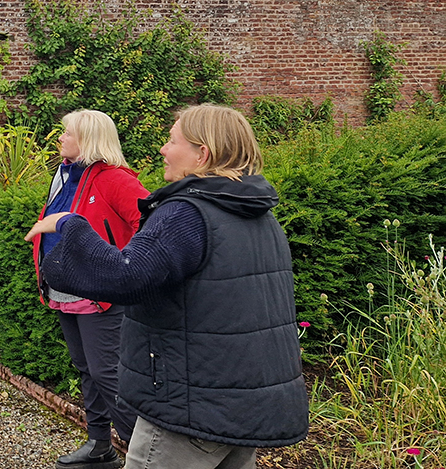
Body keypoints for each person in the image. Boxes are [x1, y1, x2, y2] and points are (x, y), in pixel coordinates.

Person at [28, 104, 309, 469]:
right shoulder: (257, 212)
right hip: (243, 403)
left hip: (191, 407)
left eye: (171, 140)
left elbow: (127, 276)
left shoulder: (187, 212)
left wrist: (70, 226)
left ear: (201, 153)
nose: (162, 149)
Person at [27, 110, 146, 468]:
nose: (60, 139)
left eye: (67, 134)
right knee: (86, 369)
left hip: (102, 296)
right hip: (65, 292)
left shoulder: (115, 180)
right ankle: (99, 446)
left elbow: (152, 225)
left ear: (89, 140)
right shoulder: (64, 175)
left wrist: (121, 267)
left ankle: (147, 453)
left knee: (107, 373)